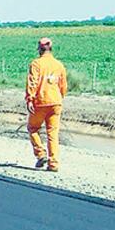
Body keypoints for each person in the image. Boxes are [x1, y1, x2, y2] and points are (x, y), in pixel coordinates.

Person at [25, 37, 68, 172]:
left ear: (39, 49)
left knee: (33, 128)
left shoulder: (36, 64)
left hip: (40, 102)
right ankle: (53, 164)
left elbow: (33, 82)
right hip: (56, 102)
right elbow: (63, 85)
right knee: (53, 133)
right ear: (51, 48)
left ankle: (41, 153)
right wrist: (60, 97)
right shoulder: (59, 65)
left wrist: (30, 99)